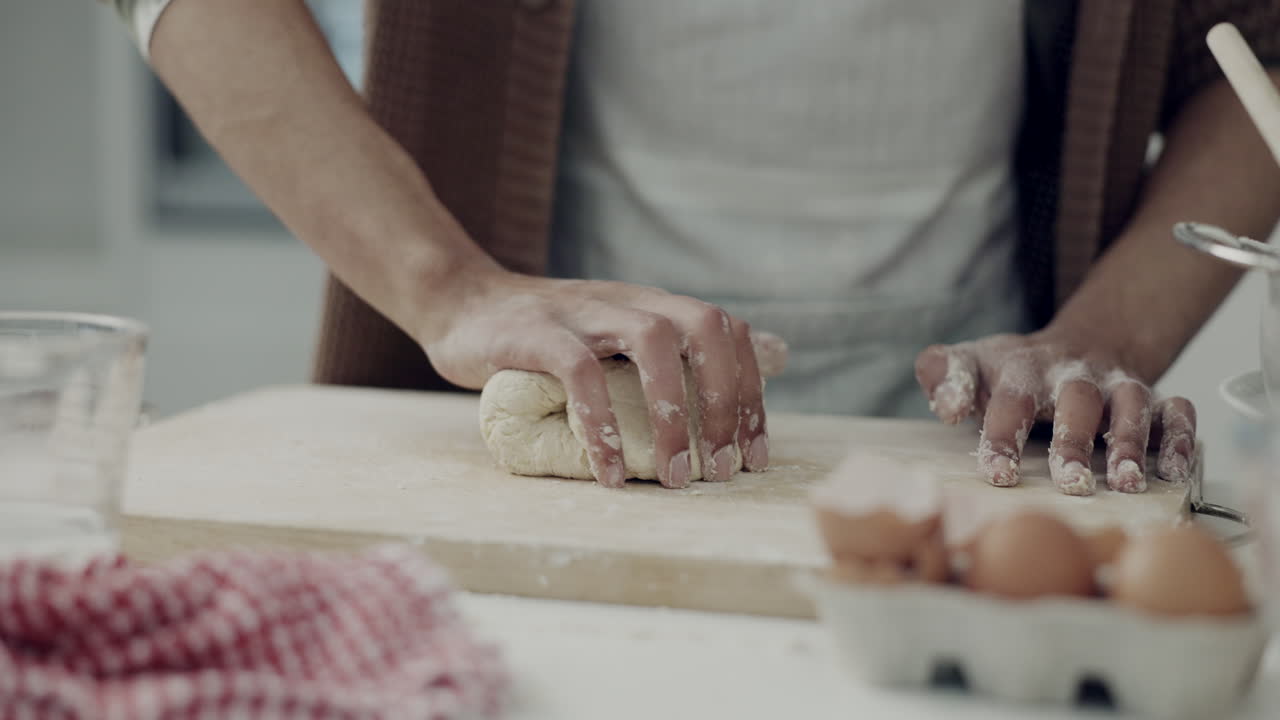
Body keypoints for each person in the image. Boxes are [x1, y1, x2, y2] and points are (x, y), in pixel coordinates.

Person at [105, 0, 1280, 494]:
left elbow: (1258, 43)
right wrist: (447, 285)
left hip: (986, 448)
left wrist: (1097, 338)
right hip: (570, 432)